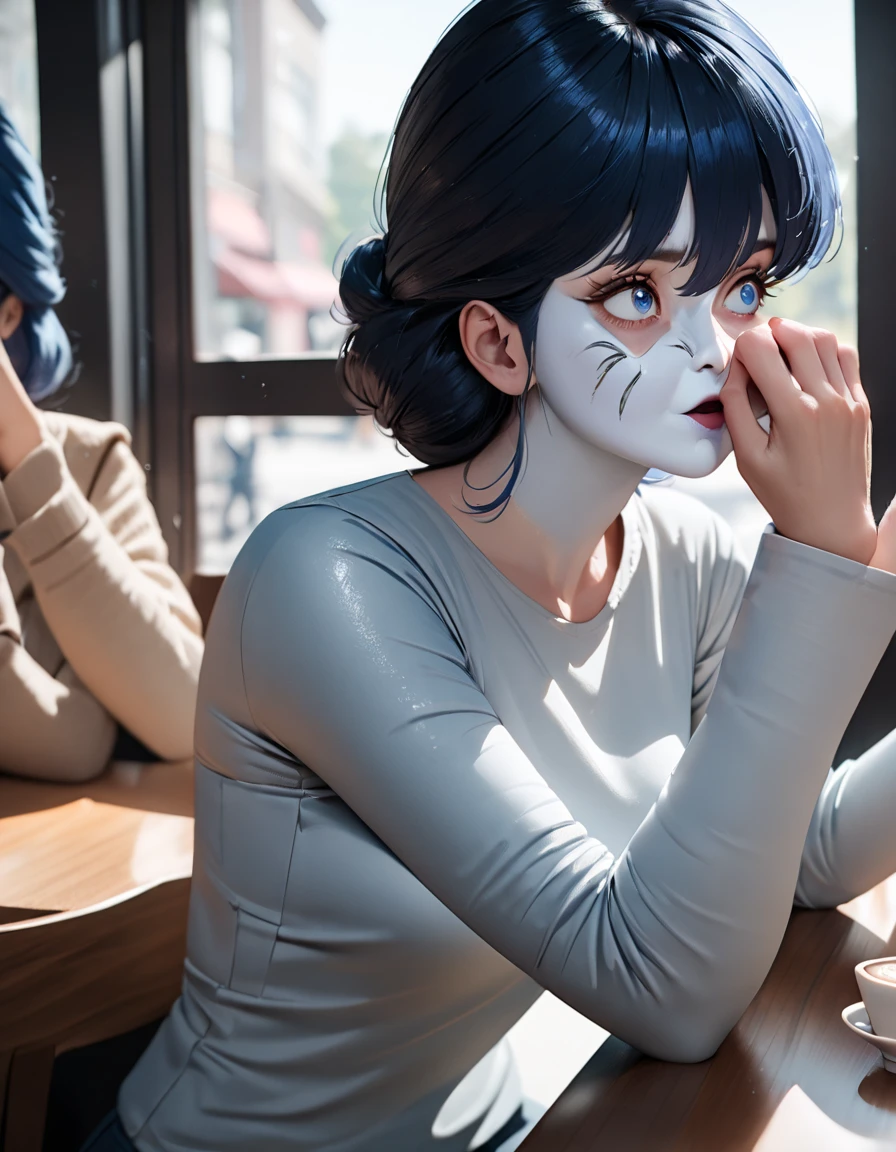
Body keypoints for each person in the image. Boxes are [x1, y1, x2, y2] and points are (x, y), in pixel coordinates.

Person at [106, 2, 896, 1150]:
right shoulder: (326, 581)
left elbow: (798, 857)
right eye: (636, 293)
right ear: (495, 341)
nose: (717, 351)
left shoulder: (682, 558)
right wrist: (821, 562)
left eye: (742, 288)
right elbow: (664, 990)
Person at [0, 103, 203, 779]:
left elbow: (178, 711)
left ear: (9, 310)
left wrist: (25, 453)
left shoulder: (85, 464)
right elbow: (72, 735)